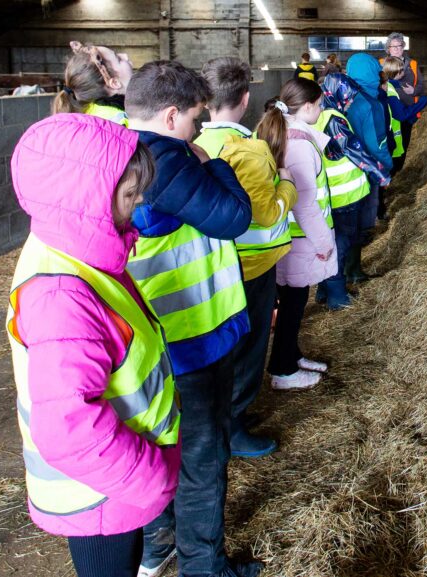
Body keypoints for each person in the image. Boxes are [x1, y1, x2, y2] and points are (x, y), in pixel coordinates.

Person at [6, 113, 179, 577]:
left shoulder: (76, 250)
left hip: (115, 478)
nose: (139, 201)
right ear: (87, 198)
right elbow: (69, 429)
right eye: (129, 193)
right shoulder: (61, 296)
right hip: (101, 492)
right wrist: (152, 480)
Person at [123, 61, 261, 577]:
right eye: (196, 120)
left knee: (161, 446)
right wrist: (210, 160)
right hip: (191, 332)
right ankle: (205, 568)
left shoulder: (121, 148)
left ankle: (158, 549)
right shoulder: (170, 159)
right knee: (202, 459)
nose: (200, 129)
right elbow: (234, 217)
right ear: (171, 114)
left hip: (155, 334)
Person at [195, 57, 298, 458]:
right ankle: (233, 424)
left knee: (222, 346)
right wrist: (287, 188)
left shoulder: (198, 145)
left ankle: (226, 418)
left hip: (210, 268)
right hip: (251, 265)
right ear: (245, 98)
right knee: (250, 344)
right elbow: (266, 216)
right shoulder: (249, 151)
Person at [256, 79, 337, 390]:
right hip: (300, 239)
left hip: (287, 237)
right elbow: (305, 205)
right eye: (318, 104)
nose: (321, 109)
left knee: (292, 300)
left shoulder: (283, 131)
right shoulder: (300, 144)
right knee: (293, 303)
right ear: (306, 107)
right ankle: (282, 369)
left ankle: (290, 354)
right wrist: (324, 243)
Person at [312, 73, 390, 309]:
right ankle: (337, 297)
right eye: (347, 97)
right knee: (341, 245)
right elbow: (352, 149)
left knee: (332, 243)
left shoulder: (314, 117)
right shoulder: (332, 118)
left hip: (328, 196)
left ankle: (323, 291)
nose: (348, 102)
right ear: (337, 94)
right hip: (343, 196)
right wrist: (380, 173)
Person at [344, 53, 393, 281]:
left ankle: (338, 276)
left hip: (338, 173)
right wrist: (386, 168)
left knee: (342, 227)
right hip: (364, 171)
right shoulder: (370, 104)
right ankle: (353, 271)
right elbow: (378, 142)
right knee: (359, 224)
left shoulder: (341, 97)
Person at [52, 41, 132, 125]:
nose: (125, 56)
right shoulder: (121, 122)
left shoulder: (90, 112)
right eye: (119, 59)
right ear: (114, 83)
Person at [381, 57, 427, 178]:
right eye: (402, 70)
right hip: (392, 136)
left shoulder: (388, 85)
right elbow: (401, 115)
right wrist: (422, 102)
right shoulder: (390, 91)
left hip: (389, 132)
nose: (404, 72)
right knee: (393, 167)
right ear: (396, 73)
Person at [383, 33, 425, 167]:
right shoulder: (381, 64)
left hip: (408, 111)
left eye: (399, 45)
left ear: (403, 47)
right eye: (392, 46)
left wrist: (414, 91)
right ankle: (390, 169)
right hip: (388, 112)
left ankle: (398, 169)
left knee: (404, 141)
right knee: (389, 142)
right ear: (388, 49)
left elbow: (421, 86)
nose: (396, 49)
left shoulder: (412, 64)